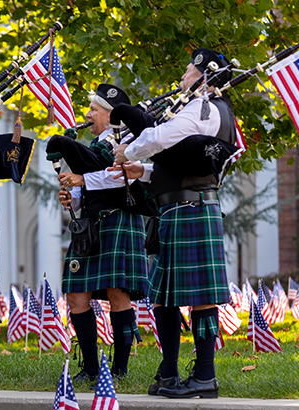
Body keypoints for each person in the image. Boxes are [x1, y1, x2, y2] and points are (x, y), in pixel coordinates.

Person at [111, 48, 236, 399]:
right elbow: (182, 161)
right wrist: (145, 171)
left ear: (204, 75)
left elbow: (162, 137)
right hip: (180, 209)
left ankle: (205, 376)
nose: (182, 78)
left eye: (187, 72)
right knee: (163, 298)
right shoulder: (206, 109)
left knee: (201, 299)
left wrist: (129, 151)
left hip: (191, 209)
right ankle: (169, 371)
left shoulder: (204, 108)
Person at [47, 84, 149, 383]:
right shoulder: (91, 148)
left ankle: (119, 369)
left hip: (120, 221)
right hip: (91, 225)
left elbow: (121, 177)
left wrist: (83, 178)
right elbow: (88, 191)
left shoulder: (129, 140)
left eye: (93, 109)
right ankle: (90, 366)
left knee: (118, 294)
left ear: (110, 114)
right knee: (77, 296)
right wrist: (73, 195)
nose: (88, 115)